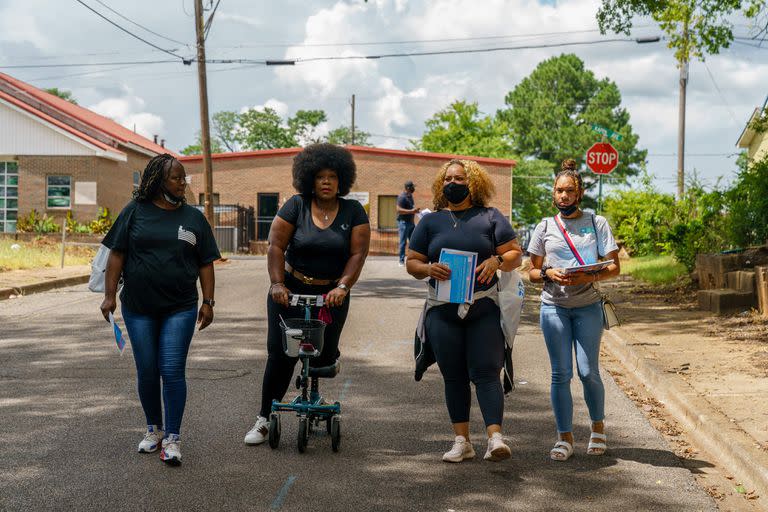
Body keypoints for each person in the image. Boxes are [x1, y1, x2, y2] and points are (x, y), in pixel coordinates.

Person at [244, 143, 371, 445]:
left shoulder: (353, 211)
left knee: (323, 356)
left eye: (332, 176)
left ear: (342, 180)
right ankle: (264, 418)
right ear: (309, 179)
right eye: (320, 176)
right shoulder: (296, 206)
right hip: (290, 291)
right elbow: (276, 246)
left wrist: (343, 286)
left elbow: (358, 253)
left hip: (331, 295)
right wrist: (277, 284)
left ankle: (317, 380)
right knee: (281, 354)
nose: (326, 182)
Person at [99, 154, 221, 466]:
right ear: (158, 181)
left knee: (171, 369)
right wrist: (109, 296)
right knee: (148, 370)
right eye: (176, 178)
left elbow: (206, 262)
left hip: (179, 307)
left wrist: (208, 301)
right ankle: (154, 429)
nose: (183, 183)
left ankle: (173, 437)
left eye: (184, 178)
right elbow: (117, 255)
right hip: (138, 307)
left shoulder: (193, 218)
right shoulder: (134, 212)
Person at [406, 159, 523, 463]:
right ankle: (462, 442)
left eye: (459, 178)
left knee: (487, 371)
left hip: (483, 307)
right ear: (440, 184)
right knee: (454, 376)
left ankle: (495, 438)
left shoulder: (490, 217)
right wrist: (427, 267)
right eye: (448, 179)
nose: (453, 183)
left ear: (474, 183)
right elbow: (412, 261)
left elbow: (514, 254)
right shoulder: (430, 222)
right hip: (442, 310)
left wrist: (497, 261)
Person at [526, 158, 621, 461]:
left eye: (569, 191)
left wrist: (588, 275)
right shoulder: (544, 226)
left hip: (587, 306)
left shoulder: (597, 222)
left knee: (588, 371)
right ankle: (564, 437)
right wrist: (547, 274)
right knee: (560, 374)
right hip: (553, 307)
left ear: (579, 194)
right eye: (558, 191)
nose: (563, 196)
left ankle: (597, 428)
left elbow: (614, 267)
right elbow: (531, 271)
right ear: (553, 194)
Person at [396, 180, 419, 266]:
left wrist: (415, 211)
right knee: (403, 242)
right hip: (403, 223)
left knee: (413, 242)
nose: (414, 189)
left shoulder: (410, 196)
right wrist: (411, 211)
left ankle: (411, 260)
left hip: (411, 223)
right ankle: (401, 261)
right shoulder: (402, 197)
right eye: (412, 187)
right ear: (408, 188)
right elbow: (398, 210)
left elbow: (411, 209)